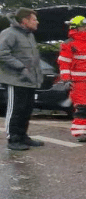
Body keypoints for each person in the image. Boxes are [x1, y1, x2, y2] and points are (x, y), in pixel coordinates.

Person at [0, 8, 45, 151]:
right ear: (25, 21)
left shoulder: (29, 35)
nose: (37, 22)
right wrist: (20, 67)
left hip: (29, 80)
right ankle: (13, 139)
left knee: (26, 109)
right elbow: (2, 53)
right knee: (15, 110)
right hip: (15, 80)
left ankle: (22, 136)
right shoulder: (9, 33)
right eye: (34, 19)